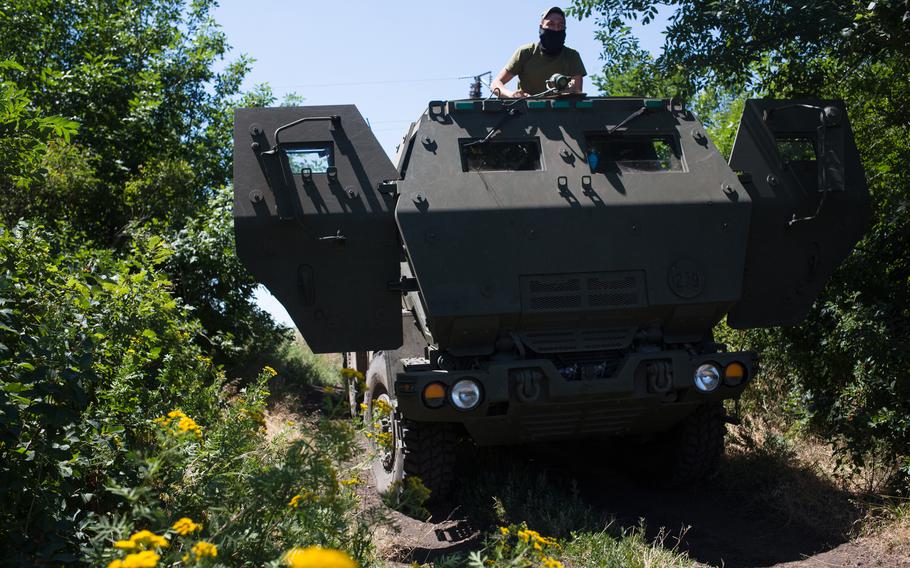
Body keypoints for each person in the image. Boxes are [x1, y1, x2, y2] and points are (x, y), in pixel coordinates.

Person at [490, 7, 587, 99]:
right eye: (551, 24)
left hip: (561, 113)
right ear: (541, 27)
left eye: (560, 25)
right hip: (527, 113)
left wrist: (568, 90)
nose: (556, 29)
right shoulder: (526, 52)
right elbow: (495, 84)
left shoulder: (572, 56)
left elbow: (576, 90)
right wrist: (512, 95)